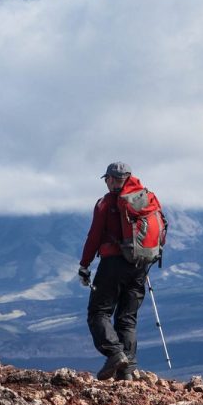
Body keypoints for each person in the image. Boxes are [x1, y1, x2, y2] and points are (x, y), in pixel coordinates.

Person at [78, 161, 151, 380]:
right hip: (140, 264)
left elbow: (94, 237)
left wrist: (84, 265)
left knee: (98, 312)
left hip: (113, 264)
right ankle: (126, 372)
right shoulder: (145, 200)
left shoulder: (106, 203)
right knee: (127, 318)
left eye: (107, 179)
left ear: (111, 179)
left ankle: (115, 354)